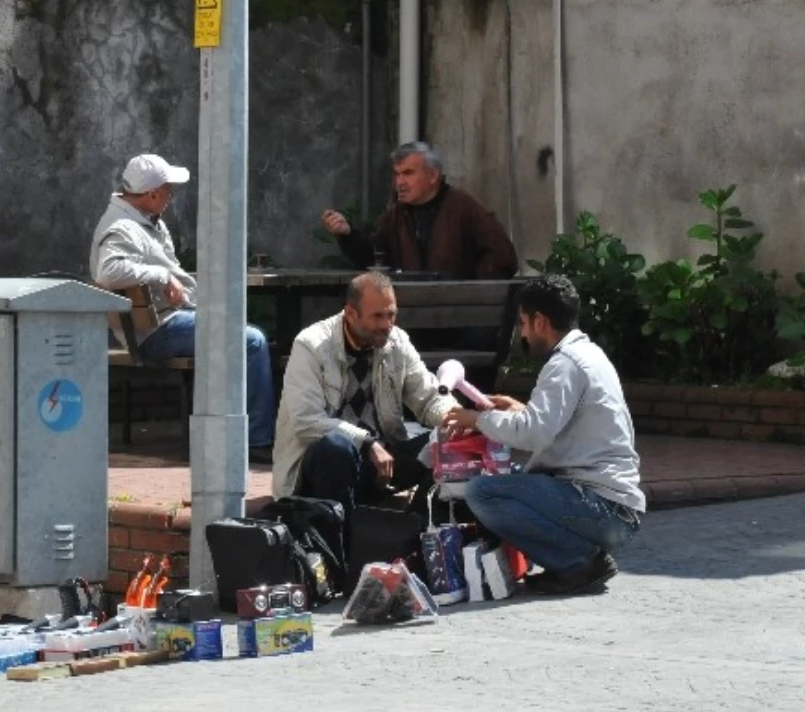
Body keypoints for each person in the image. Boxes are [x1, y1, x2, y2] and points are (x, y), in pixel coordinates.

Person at [441, 274, 644, 595]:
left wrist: (478, 418)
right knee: (513, 479)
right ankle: (574, 561)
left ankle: (578, 563)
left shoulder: (564, 364)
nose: (521, 332)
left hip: (604, 508)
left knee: (483, 491)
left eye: (522, 322)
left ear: (540, 321)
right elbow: (557, 425)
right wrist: (516, 409)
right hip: (613, 507)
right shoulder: (588, 354)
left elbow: (534, 434)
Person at [89, 153, 275, 462]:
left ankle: (230, 434)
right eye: (168, 190)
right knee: (251, 342)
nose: (171, 196)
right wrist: (162, 276)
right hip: (154, 332)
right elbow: (107, 272)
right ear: (152, 194)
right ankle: (255, 440)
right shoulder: (122, 227)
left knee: (240, 329)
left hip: (169, 320)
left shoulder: (147, 222)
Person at [271, 271, 458, 522]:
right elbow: (306, 421)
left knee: (448, 441)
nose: (386, 324)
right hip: (323, 469)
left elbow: (428, 397)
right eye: (377, 316)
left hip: (383, 464)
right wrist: (367, 443)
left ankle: (411, 532)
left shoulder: (397, 341)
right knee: (338, 447)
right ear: (350, 313)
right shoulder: (310, 345)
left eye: (391, 314)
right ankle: (339, 544)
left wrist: (456, 419)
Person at [320, 141, 519, 281]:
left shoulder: (464, 207)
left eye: (408, 173)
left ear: (433, 175)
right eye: (397, 174)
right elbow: (375, 257)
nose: (400, 183)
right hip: (412, 314)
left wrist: (469, 291)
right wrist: (347, 234)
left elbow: (502, 256)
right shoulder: (396, 216)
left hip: (459, 317)